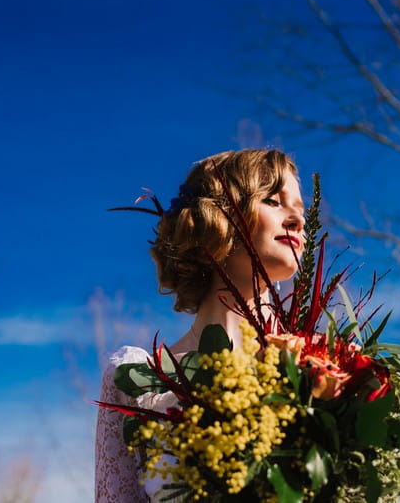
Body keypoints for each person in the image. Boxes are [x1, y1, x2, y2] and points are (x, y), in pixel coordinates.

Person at [94, 148, 305, 502]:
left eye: (301, 209)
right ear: (216, 217)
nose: (297, 221)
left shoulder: (325, 368)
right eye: (272, 200)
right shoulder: (137, 378)